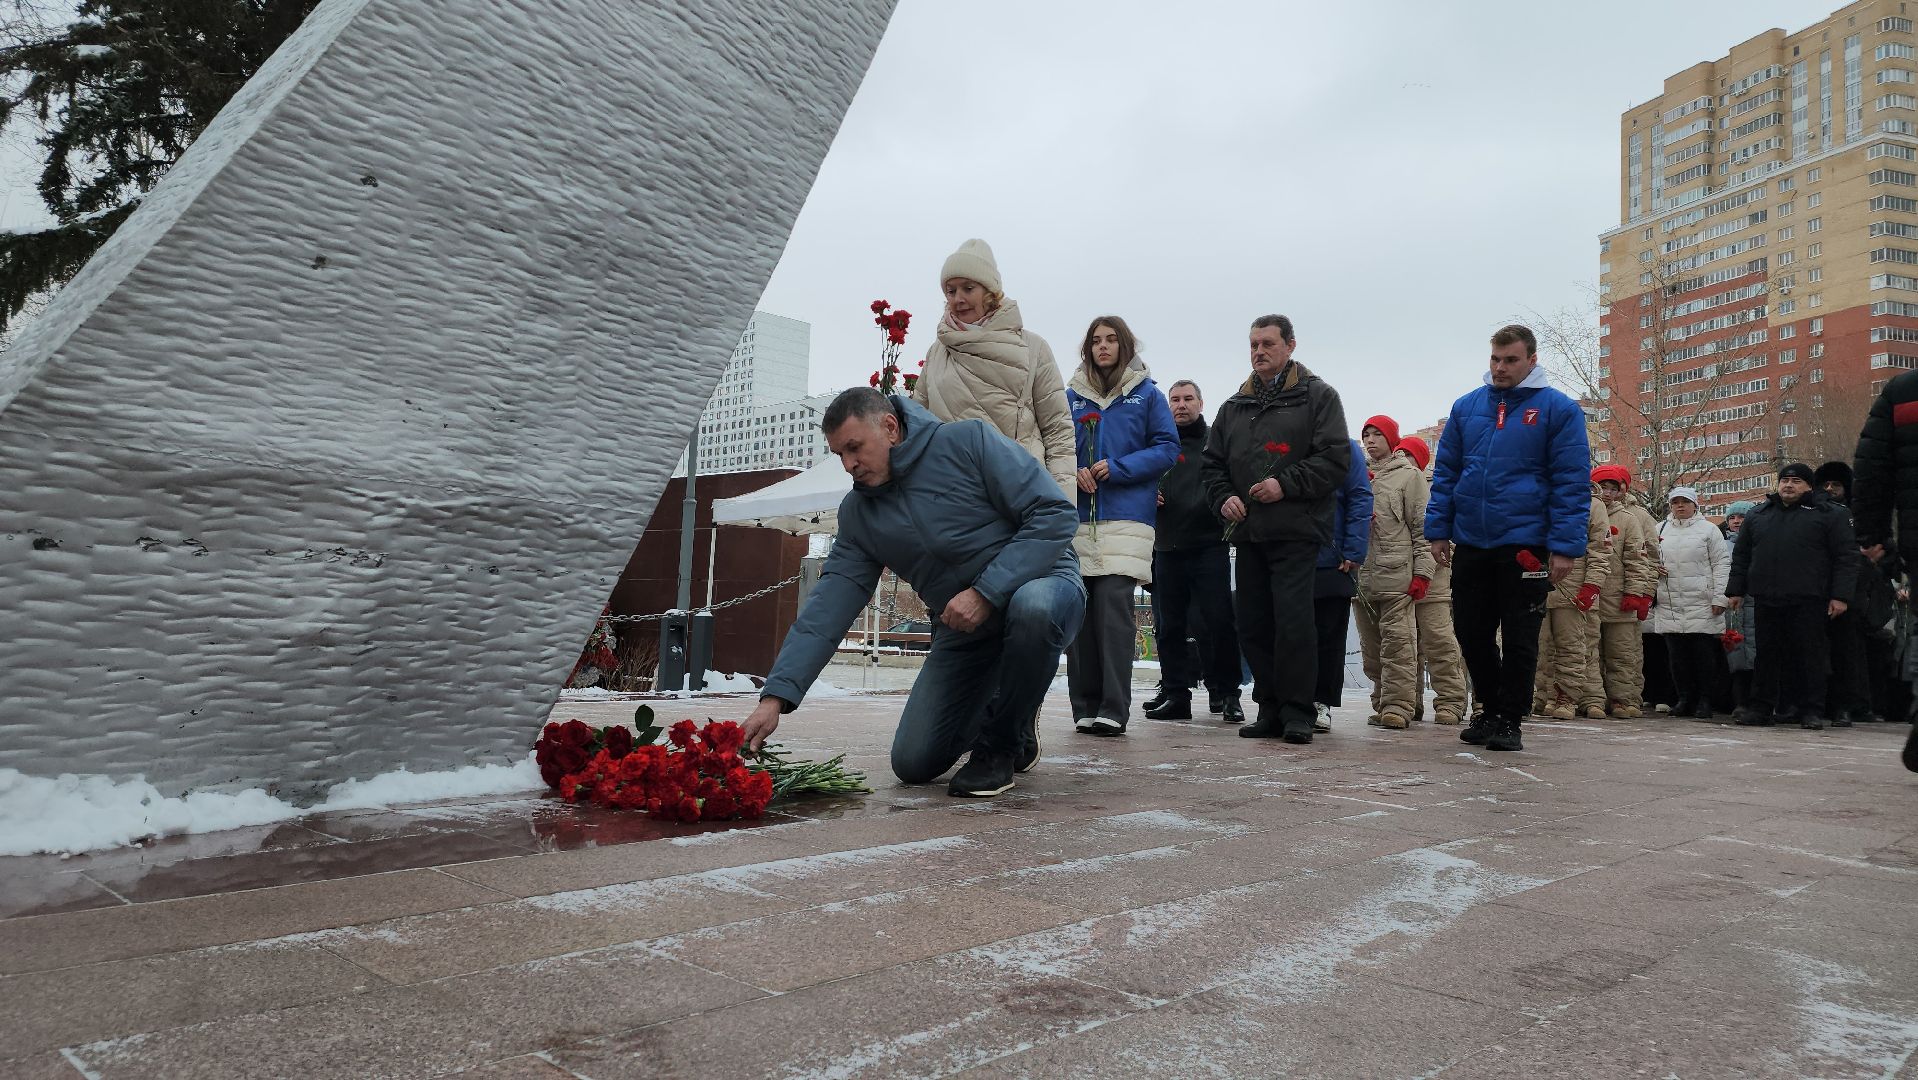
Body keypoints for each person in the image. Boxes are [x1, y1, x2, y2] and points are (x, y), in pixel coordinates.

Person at [744, 389, 1085, 798]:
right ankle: (1013, 701)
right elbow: (828, 608)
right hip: (965, 631)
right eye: (840, 455)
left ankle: (1000, 747)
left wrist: (985, 592)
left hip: (1043, 583)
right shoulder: (859, 514)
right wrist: (776, 697)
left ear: (889, 427)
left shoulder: (967, 442)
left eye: (855, 448)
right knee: (914, 763)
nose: (849, 464)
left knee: (1034, 609)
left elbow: (1055, 513)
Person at [1426, 324, 1591, 753]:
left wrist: (1565, 546)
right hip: (1472, 541)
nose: (1500, 368)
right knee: (1470, 630)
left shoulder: (1558, 410)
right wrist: (1438, 528)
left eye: (1510, 360)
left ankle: (1510, 718)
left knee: (1520, 635)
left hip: (1527, 545)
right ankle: (1489, 708)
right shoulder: (1467, 407)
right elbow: (1445, 474)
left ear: (1531, 360)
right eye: (1495, 360)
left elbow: (1571, 482)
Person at [1202, 314, 1351, 743]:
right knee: (1252, 623)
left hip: (1295, 530)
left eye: (1268, 343)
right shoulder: (1234, 406)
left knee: (1293, 623)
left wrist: (1283, 484)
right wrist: (1222, 498)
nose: (1259, 351)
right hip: (1248, 533)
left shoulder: (1318, 397)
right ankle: (1268, 706)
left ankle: (1298, 710)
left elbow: (1334, 458)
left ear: (1290, 346)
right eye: (1253, 344)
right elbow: (1211, 465)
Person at [1064, 317, 1180, 735]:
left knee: (1113, 607)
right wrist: (1074, 470)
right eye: (1096, 340)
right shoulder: (1071, 396)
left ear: (1126, 346)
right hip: (1079, 517)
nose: (1103, 346)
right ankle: (1085, 704)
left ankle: (1114, 706)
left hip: (1127, 515)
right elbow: (1056, 445)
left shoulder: (1148, 395)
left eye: (1111, 339)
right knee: (1079, 610)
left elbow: (1167, 448)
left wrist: (1120, 468)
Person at [912, 238, 1076, 497]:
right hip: (951, 494)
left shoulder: (1033, 347)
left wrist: (1062, 503)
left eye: (968, 288)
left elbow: (1058, 431)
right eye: (951, 291)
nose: (958, 299)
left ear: (990, 293)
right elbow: (917, 428)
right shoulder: (937, 353)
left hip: (1018, 492)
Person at [1727, 463, 1861, 730]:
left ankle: (1812, 710)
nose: (1789, 485)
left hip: (1809, 598)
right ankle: (1761, 707)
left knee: (1810, 657)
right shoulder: (1759, 514)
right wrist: (1735, 590)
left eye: (1796, 481)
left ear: (1809, 486)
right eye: (1785, 480)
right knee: (1765, 657)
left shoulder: (1828, 514)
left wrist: (1840, 596)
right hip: (1767, 597)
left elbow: (1846, 557)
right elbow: (1742, 556)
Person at [1145, 379, 1245, 723]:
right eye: (1174, 399)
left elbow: (1229, 480)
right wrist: (1147, 496)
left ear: (1201, 404)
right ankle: (1176, 693)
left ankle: (1228, 693)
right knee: (1168, 626)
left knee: (1218, 622)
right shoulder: (1158, 442)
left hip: (1208, 544)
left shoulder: (1214, 441)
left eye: (1188, 399)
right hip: (1166, 545)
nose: (1181, 405)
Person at [1355, 415, 1433, 730]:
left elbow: (1423, 528)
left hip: (1397, 575)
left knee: (1398, 645)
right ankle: (1383, 701)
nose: (1370, 440)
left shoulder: (1409, 477)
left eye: (1377, 434)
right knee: (1372, 651)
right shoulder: (1358, 477)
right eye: (1366, 435)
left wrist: (1423, 573)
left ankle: (1398, 707)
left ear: (1391, 439)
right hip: (1362, 578)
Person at [1398, 436, 1469, 725]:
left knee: (1439, 642)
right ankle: (1407, 702)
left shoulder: (1437, 489)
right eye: (1399, 454)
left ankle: (1451, 701)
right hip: (1400, 579)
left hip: (1435, 582)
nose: (1403, 460)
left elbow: (1447, 536)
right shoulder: (1389, 484)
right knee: (1404, 646)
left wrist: (1427, 569)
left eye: (1408, 455)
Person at [1532, 491, 1614, 721]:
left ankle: (1566, 697)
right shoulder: (1536, 492)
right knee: (1542, 647)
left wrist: (1591, 586)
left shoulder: (1592, 503)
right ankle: (1547, 696)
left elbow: (1601, 551)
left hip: (1573, 588)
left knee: (1573, 646)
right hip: (1537, 583)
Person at [1653, 486, 1731, 720]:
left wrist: (1720, 597)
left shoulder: (1709, 530)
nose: (1680, 506)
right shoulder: (1659, 529)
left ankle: (1706, 700)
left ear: (1695, 505)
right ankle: (1684, 698)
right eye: (1675, 502)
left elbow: (1721, 564)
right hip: (1670, 603)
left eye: (1685, 502)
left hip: (1702, 602)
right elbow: (1646, 558)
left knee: (1704, 656)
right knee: (1677, 657)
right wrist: (1653, 568)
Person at [1312, 438, 1373, 732]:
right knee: (1290, 633)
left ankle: (1321, 701)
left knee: (1329, 634)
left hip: (1333, 558)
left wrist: (1354, 549)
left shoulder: (1346, 448)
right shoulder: (1289, 441)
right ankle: (1290, 698)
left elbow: (1360, 497)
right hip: (1291, 556)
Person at [1592, 466, 1657, 718]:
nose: (1607, 494)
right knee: (1589, 652)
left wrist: (1642, 593)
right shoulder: (1584, 511)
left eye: (1612, 488)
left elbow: (1646, 559)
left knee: (1624, 653)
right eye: (1602, 488)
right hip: (1590, 593)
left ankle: (1625, 698)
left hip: (1621, 596)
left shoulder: (1635, 517)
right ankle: (1593, 698)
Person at [1815, 461, 1876, 727]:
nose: (1830, 489)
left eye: (1836, 485)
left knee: (1848, 653)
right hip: (1815, 590)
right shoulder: (1813, 513)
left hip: (1850, 593)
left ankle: (1851, 704)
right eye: (1825, 485)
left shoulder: (1858, 515)